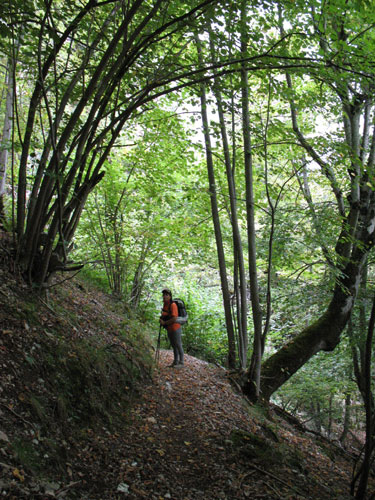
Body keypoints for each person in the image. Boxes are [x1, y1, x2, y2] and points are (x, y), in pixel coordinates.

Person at [159, 288, 184, 367]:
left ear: (170, 296)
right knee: (173, 345)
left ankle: (181, 362)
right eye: (163, 295)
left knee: (178, 345)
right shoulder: (165, 305)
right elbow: (165, 315)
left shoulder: (173, 305)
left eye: (166, 295)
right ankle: (175, 362)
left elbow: (174, 318)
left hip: (175, 328)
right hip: (169, 328)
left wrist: (164, 322)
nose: (164, 296)